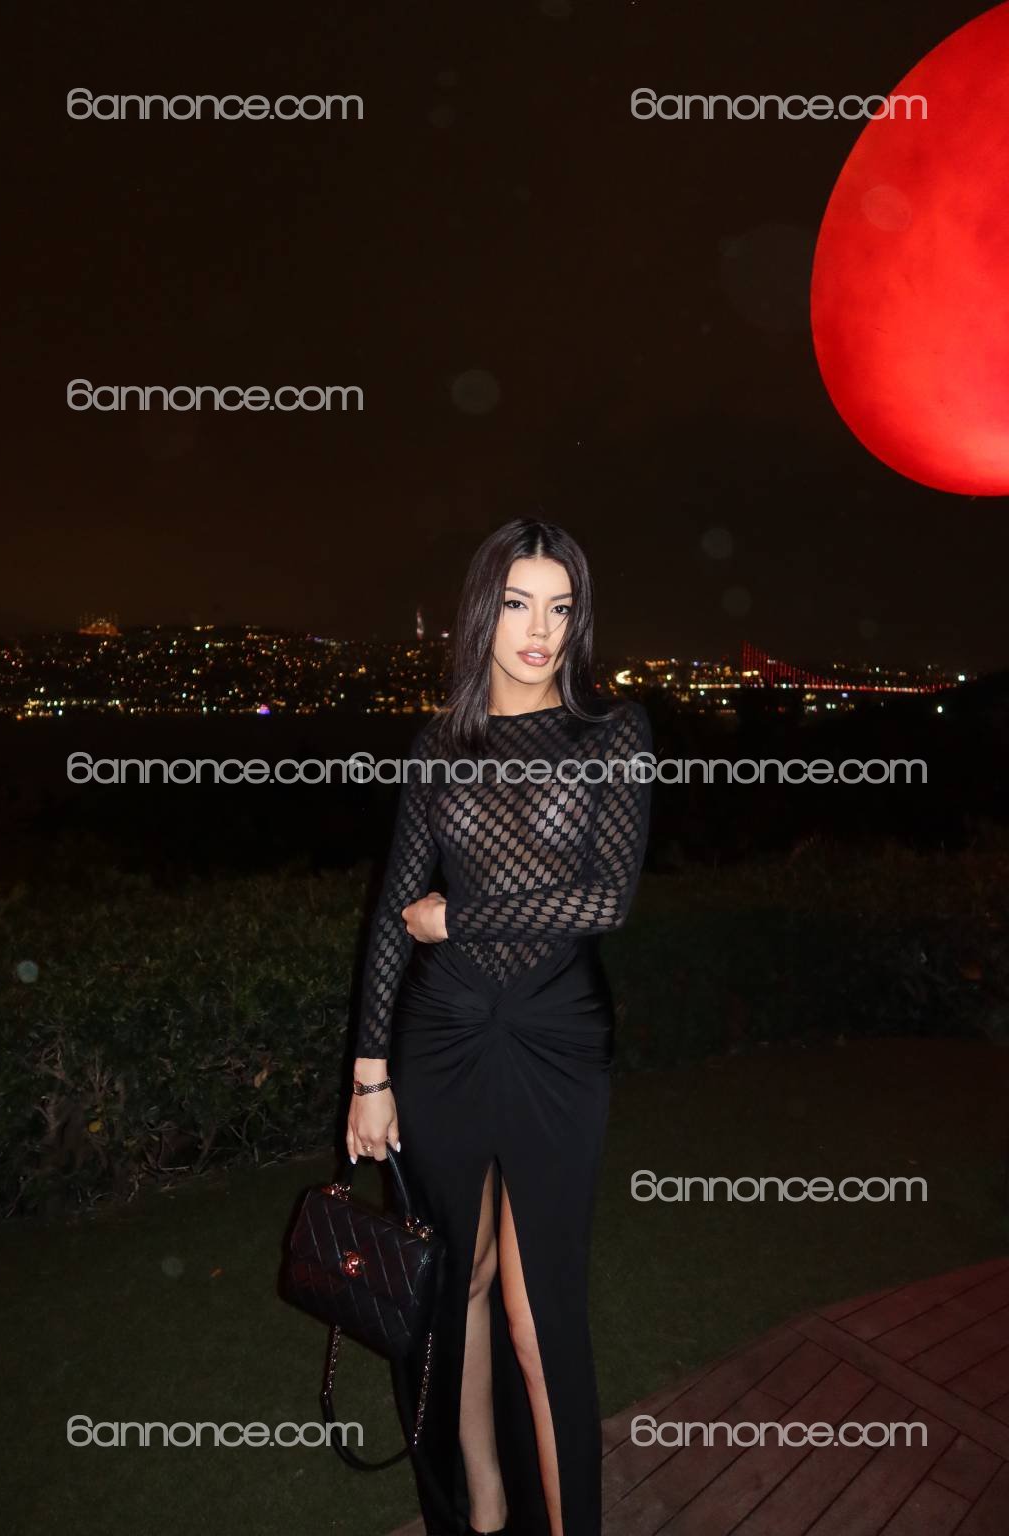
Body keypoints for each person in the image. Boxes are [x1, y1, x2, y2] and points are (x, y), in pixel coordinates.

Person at [347, 517, 654, 1535]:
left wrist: (461, 917)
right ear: (483, 609)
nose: (540, 631)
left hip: (557, 1039)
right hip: (440, 1037)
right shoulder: (439, 746)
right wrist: (369, 1073)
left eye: (561, 608)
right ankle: (480, 1498)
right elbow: (390, 915)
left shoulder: (612, 735)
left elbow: (605, 899)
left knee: (539, 1315)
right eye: (519, 604)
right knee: (459, 1281)